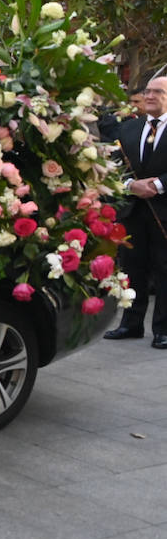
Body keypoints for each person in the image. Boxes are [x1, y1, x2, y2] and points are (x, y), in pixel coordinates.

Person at [106, 75, 167, 348]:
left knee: (164, 270)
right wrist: (131, 185)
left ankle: (163, 329)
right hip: (132, 210)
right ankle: (130, 324)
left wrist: (157, 184)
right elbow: (114, 165)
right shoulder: (129, 128)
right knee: (132, 268)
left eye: (158, 92)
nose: (150, 96)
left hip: (163, 210)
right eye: (148, 91)